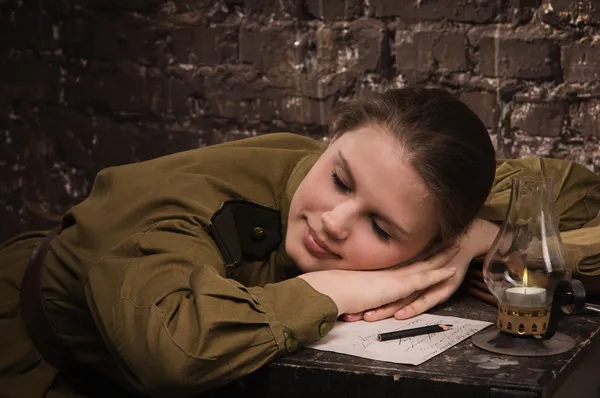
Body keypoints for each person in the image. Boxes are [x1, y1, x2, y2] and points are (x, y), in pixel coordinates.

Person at [1, 87, 599, 398]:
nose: (336, 221)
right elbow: (173, 348)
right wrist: (329, 288)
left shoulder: (419, 188)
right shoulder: (190, 201)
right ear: (330, 138)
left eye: (381, 228)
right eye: (340, 177)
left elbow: (578, 193)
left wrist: (483, 240)